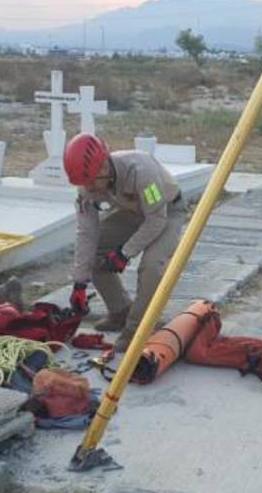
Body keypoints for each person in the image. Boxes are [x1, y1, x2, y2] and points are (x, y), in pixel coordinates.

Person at [65, 133, 187, 354]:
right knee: (95, 252)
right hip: (131, 211)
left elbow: (156, 220)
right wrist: (79, 284)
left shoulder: (142, 172)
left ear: (104, 165)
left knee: (151, 267)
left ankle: (136, 331)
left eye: (92, 181)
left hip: (166, 211)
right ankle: (120, 311)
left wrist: (124, 253)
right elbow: (86, 233)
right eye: (83, 183)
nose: (89, 188)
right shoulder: (87, 184)